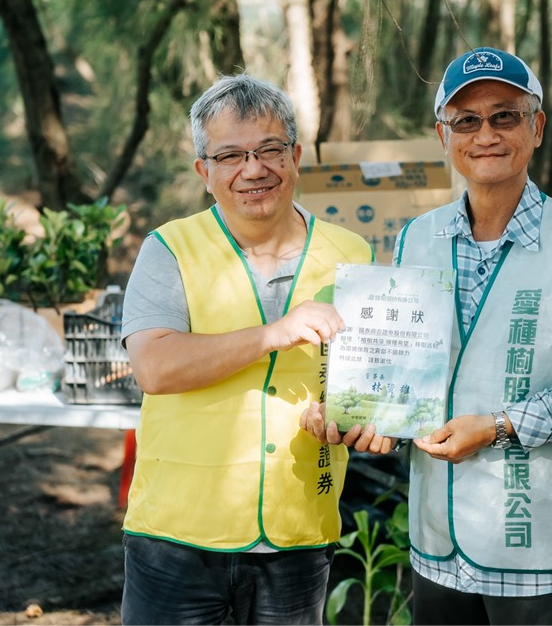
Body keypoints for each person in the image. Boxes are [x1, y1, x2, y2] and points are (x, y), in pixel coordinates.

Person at [301, 47, 552, 625]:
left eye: (505, 116)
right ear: (444, 136)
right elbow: (404, 368)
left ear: (536, 128)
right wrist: (368, 416)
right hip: (440, 548)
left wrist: (500, 426)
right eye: (466, 120)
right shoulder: (416, 237)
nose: (485, 134)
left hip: (543, 552)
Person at [118, 73, 375, 625]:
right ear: (204, 172)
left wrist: (350, 416)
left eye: (270, 150)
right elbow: (155, 367)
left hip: (297, 533)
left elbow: (370, 380)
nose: (253, 169)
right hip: (177, 536)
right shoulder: (169, 249)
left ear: (296, 157)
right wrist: (273, 334)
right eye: (230, 155)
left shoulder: (351, 253)